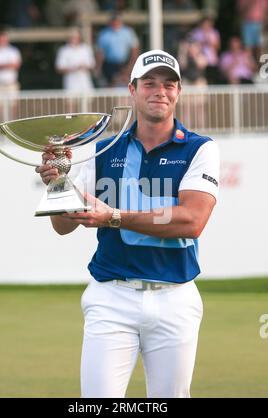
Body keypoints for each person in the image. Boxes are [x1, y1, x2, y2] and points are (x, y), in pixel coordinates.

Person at [36, 49, 220, 398]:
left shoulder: (200, 149)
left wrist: (114, 217)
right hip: (111, 296)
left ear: (178, 92)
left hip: (175, 297)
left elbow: (192, 221)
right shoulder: (104, 149)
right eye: (149, 83)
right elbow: (63, 225)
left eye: (169, 84)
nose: (160, 91)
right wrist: (58, 184)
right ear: (132, 90)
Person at [0, 28, 22, 119]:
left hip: (11, 84)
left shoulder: (13, 50)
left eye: (4, 39)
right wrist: (8, 65)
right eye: (0, 39)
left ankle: (11, 131)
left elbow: (16, 65)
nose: (2, 41)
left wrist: (0, 66)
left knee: (13, 108)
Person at [96, 13, 139, 87]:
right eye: (113, 21)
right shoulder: (104, 34)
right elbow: (100, 53)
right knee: (111, 86)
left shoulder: (128, 32)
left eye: (117, 21)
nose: (115, 23)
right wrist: (98, 68)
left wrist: (131, 66)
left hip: (125, 63)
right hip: (109, 65)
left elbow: (134, 51)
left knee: (126, 85)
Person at [55, 28, 96, 92]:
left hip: (85, 82)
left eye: (76, 37)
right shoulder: (63, 50)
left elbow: (92, 65)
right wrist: (73, 68)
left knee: (87, 100)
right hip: (70, 83)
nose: (74, 39)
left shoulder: (86, 48)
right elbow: (59, 68)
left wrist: (84, 66)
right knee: (71, 101)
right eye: (72, 37)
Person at [237, 0, 268, 65]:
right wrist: (250, 2)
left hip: (261, 24)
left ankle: (260, 69)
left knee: (261, 48)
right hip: (247, 24)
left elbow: (266, 12)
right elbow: (240, 10)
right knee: (248, 49)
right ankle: (249, 70)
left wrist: (265, 24)